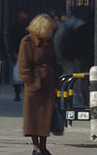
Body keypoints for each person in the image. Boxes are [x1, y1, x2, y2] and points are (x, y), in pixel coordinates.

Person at [17, 13, 63, 155]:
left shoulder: (50, 43)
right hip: (34, 85)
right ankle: (35, 146)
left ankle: (44, 146)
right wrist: (31, 82)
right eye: (48, 29)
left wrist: (57, 84)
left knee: (46, 117)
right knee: (34, 118)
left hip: (48, 84)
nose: (49, 32)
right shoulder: (27, 42)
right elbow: (23, 65)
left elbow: (56, 63)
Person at [8, 10, 32, 106]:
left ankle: (26, 92)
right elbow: (11, 42)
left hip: (27, 53)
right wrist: (13, 53)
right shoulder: (14, 28)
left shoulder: (28, 28)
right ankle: (17, 93)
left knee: (26, 74)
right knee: (17, 74)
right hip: (17, 53)